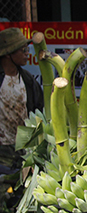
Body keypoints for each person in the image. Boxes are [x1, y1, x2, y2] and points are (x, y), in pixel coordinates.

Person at [0, 27, 44, 170]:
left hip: (24, 148)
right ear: (8, 54)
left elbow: (39, 109)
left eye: (27, 50)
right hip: (2, 150)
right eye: (23, 50)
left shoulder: (28, 80)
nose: (27, 54)